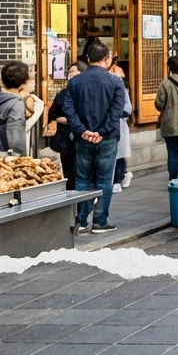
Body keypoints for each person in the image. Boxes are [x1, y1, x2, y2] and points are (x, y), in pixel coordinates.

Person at [61, 42, 127, 235]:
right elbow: (116, 112)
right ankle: (100, 221)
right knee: (105, 180)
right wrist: (102, 132)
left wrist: (82, 130)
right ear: (107, 59)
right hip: (106, 138)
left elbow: (69, 109)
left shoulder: (75, 82)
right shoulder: (115, 82)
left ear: (88, 59)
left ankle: (80, 220)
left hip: (83, 138)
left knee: (82, 179)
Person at [46, 62, 87, 189]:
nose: (71, 74)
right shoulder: (63, 93)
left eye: (73, 71)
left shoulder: (86, 91)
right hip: (65, 136)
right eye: (69, 72)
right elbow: (53, 113)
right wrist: (61, 119)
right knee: (68, 168)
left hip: (83, 135)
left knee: (82, 168)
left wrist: (72, 119)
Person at [109, 64, 133, 190]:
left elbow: (127, 108)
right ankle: (122, 175)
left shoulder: (121, 88)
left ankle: (119, 178)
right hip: (109, 124)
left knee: (119, 153)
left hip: (119, 123)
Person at [0, 62, 32, 154]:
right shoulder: (16, 104)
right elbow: (15, 140)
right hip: (6, 160)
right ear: (22, 85)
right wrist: (22, 160)